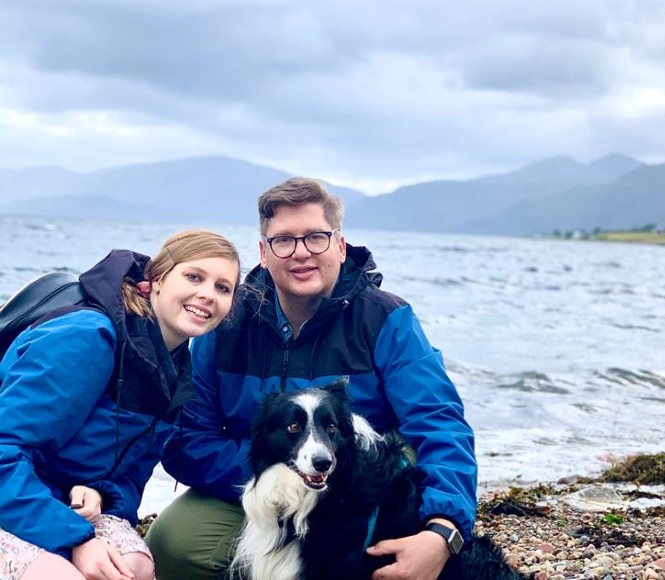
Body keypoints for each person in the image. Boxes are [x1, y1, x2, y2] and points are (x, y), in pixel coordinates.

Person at [147, 178, 477, 580]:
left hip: (360, 493)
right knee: (173, 544)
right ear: (264, 254)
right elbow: (185, 436)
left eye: (316, 238)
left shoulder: (386, 319)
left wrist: (443, 530)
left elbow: (439, 423)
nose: (301, 253)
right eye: (283, 241)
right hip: (257, 483)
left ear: (339, 244)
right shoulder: (227, 321)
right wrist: (280, 478)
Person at [0, 230, 241, 580]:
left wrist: (100, 492)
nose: (207, 294)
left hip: (52, 499)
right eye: (193, 277)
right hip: (14, 491)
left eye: (223, 288)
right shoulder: (88, 338)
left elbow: (132, 476)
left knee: (134, 566)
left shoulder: (173, 366)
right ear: (157, 279)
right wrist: (75, 537)